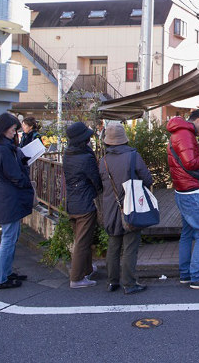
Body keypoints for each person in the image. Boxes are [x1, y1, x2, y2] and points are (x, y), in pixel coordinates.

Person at [167, 109, 199, 290]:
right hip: (193, 192)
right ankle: (197, 277)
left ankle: (185, 274)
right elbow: (190, 162)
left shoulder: (178, 132)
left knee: (188, 233)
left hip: (183, 191)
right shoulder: (186, 134)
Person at [99, 123, 151, 294]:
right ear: (124, 139)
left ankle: (112, 282)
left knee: (113, 245)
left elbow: (100, 184)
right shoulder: (133, 156)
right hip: (131, 206)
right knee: (130, 246)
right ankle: (129, 283)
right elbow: (147, 178)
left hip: (110, 207)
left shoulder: (103, 161)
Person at [0, 113, 34, 289]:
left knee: (12, 235)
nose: (15, 133)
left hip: (4, 194)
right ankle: (0, 278)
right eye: (13, 130)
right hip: (9, 195)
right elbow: (14, 175)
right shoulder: (2, 149)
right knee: (9, 237)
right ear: (4, 129)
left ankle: (6, 272)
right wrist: (26, 176)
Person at [64, 122, 103, 289]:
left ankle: (86, 269)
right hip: (85, 203)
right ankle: (77, 278)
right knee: (82, 242)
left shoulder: (68, 154)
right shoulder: (86, 157)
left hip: (72, 202)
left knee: (81, 240)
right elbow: (96, 180)